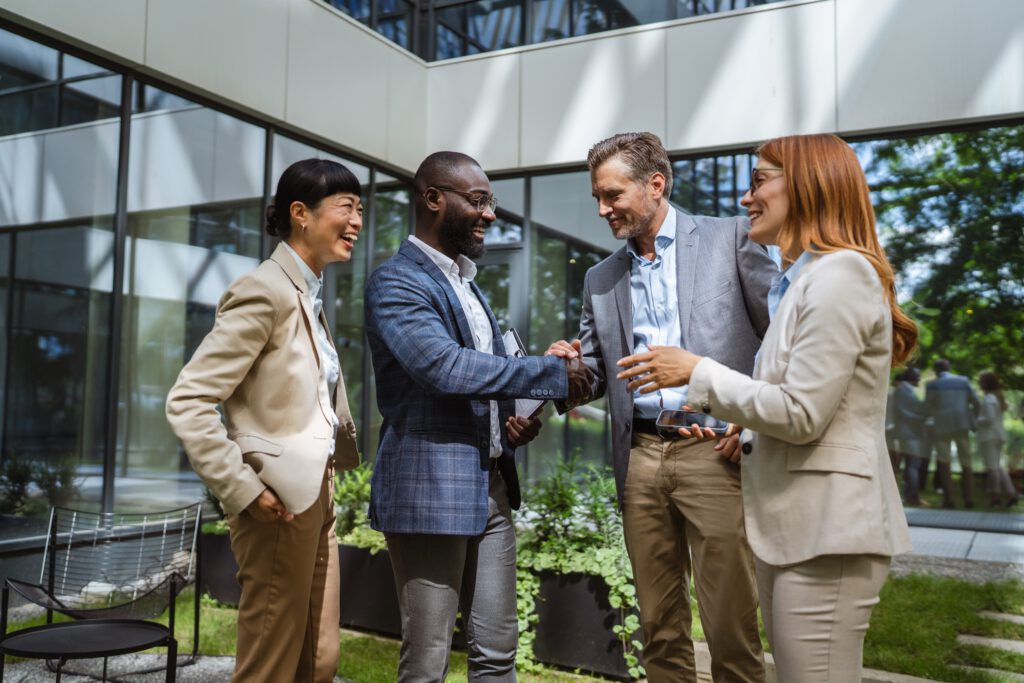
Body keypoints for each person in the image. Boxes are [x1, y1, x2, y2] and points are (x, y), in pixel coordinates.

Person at [616, 133, 915, 682]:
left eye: (759, 181)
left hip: (829, 529)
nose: (746, 198)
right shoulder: (800, 282)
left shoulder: (841, 274)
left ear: (808, 185)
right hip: (795, 527)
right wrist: (743, 422)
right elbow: (799, 397)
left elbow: (803, 413)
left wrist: (696, 372)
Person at [547, 132, 775, 683]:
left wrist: (751, 428)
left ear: (655, 184)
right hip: (641, 458)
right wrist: (569, 367)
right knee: (658, 625)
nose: (603, 209)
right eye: (597, 198)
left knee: (730, 625)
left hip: (715, 451)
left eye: (612, 195)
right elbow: (600, 373)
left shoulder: (731, 237)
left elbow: (780, 339)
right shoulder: (601, 279)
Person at [364, 151, 590, 682]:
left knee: (497, 655)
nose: (490, 214)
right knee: (427, 661)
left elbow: (485, 378)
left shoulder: (467, 285)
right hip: (430, 492)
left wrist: (516, 417)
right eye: (479, 200)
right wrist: (551, 377)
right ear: (434, 199)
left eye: (492, 201)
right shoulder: (395, 283)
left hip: (491, 489)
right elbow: (442, 368)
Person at [166, 158, 364, 682]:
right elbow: (187, 401)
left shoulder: (307, 293)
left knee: (317, 658)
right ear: (301, 213)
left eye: (360, 209)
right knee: (270, 666)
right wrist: (244, 490)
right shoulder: (264, 290)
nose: (358, 222)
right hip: (273, 505)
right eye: (347, 207)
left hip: (315, 496)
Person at [925, 358, 980, 508]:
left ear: (936, 370)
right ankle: (969, 499)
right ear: (949, 367)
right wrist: (974, 422)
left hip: (942, 427)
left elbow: (927, 407)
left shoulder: (932, 385)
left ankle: (949, 500)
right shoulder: (963, 381)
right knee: (966, 463)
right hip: (962, 425)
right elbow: (976, 402)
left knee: (944, 463)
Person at [978, 372, 1017, 507]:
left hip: (990, 437)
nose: (979, 383)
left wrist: (976, 420)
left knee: (992, 468)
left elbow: (988, 419)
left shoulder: (989, 399)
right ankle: (1010, 493)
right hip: (998, 435)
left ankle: (995, 497)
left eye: (981, 381)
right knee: (998, 466)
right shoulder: (997, 398)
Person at [892, 367, 929, 506]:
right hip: (907, 433)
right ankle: (912, 496)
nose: (919, 378)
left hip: (911, 432)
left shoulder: (907, 389)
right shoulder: (902, 389)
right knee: (912, 465)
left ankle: (911, 495)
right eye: (917, 375)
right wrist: (919, 419)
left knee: (913, 465)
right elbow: (901, 411)